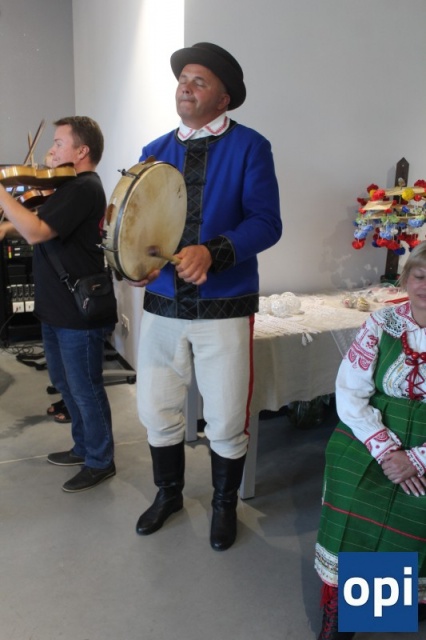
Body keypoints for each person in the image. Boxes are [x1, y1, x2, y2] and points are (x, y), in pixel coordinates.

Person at [129, 42, 282, 551]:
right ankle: (168, 494)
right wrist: (135, 263)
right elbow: (136, 224)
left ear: (224, 98)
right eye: (183, 79)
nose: (186, 88)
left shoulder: (251, 146)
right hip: (163, 305)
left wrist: (213, 252)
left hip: (225, 305)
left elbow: (267, 222)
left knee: (225, 415)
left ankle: (223, 505)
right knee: (157, 407)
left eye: (199, 81)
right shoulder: (154, 150)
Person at [314, 242, 426, 639]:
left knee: (416, 506)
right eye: (420, 276)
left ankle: (391, 603)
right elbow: (350, 391)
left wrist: (418, 459)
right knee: (355, 485)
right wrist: (386, 450)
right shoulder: (382, 323)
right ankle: (346, 611)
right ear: (406, 279)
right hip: (375, 428)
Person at [0, 116, 117, 492]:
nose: (50, 150)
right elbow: (37, 221)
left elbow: (37, 231)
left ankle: (101, 460)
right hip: (57, 308)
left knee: (85, 388)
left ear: (82, 151)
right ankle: (83, 447)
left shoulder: (84, 188)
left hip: (77, 312)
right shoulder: (67, 189)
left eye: (58, 143)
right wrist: (6, 227)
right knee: (66, 384)